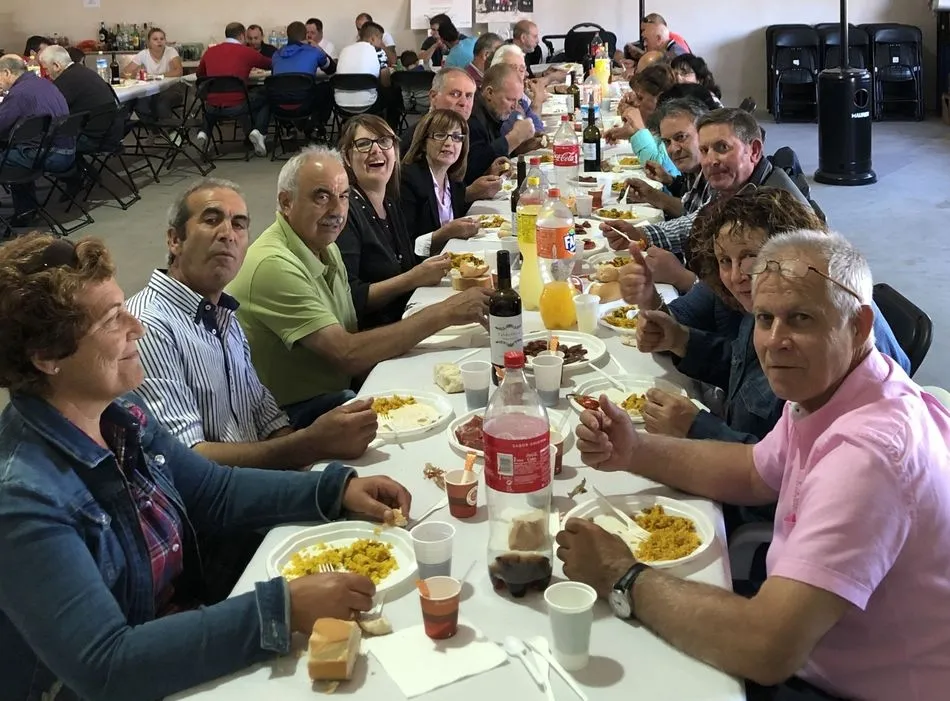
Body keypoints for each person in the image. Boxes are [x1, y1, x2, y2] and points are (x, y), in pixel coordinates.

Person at [0, 232, 414, 701]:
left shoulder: (120, 416)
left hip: (177, 634)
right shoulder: (23, 499)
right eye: (113, 319)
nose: (137, 327)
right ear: (47, 357)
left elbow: (214, 491)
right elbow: (106, 666)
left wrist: (333, 490)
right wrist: (279, 610)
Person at [564, 230, 950, 701]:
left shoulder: (869, 456)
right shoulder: (838, 385)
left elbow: (767, 648)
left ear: (858, 325)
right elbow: (753, 470)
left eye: (801, 318)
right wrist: (634, 450)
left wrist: (619, 574)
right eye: (765, 318)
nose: (774, 341)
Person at [619, 188, 910, 443]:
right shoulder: (770, 297)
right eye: (725, 261)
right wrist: (679, 339)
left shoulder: (832, 335)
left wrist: (696, 428)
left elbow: (784, 471)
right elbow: (744, 367)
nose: (736, 276)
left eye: (750, 257)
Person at [127, 178, 379, 466]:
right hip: (222, 488)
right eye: (211, 220)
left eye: (239, 224)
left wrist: (303, 468)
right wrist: (308, 448)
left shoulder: (223, 314)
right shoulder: (148, 327)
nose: (228, 234)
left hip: (260, 468)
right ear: (175, 240)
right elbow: (187, 461)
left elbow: (266, 416)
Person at [227, 146, 490, 413]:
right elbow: (347, 354)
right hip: (294, 414)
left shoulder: (325, 245)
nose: (337, 210)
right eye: (322, 197)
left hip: (339, 388)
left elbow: (351, 334)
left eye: (343, 196)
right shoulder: (273, 265)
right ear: (286, 202)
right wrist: (445, 313)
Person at [604, 108, 813, 257]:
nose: (710, 160)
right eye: (704, 150)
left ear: (755, 151)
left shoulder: (777, 207)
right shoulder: (735, 184)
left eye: (722, 148)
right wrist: (642, 235)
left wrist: (683, 279)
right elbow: (700, 221)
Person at [335, 115, 461, 329]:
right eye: (364, 144)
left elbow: (406, 262)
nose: (376, 150)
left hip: (406, 316)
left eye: (384, 141)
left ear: (395, 152)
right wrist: (413, 278)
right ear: (347, 158)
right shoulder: (346, 214)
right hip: (378, 333)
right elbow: (351, 298)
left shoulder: (390, 204)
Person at [397, 67, 506, 200]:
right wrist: (469, 194)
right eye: (455, 94)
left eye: (469, 96)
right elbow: (426, 204)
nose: (463, 103)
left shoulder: (464, 130)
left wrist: (489, 173)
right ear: (433, 97)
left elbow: (455, 181)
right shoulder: (420, 138)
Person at [0, 55, 74, 225]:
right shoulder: (44, 84)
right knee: (14, 152)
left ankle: (25, 211)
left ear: (7, 72)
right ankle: (26, 210)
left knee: (10, 156)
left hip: (50, 154)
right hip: (66, 149)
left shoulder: (19, 94)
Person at [401, 109, 481, 257]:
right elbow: (406, 246)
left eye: (456, 137)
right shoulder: (408, 180)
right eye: (440, 135)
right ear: (423, 143)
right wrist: (445, 233)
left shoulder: (454, 181)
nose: (449, 143)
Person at [195, 22, 272, 157]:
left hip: (212, 106)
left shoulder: (210, 51)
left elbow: (200, 74)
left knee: (211, 104)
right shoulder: (246, 52)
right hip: (237, 105)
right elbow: (269, 64)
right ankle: (258, 132)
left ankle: (204, 133)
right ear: (242, 36)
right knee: (268, 96)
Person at [39, 45, 122, 152]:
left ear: (56, 66)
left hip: (91, 139)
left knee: (36, 140)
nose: (46, 74)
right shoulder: (83, 71)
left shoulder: (65, 80)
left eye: (46, 69)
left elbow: (46, 111)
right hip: (110, 133)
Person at [466, 63, 538, 185]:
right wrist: (514, 138)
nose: (515, 107)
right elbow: (474, 169)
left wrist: (520, 147)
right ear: (489, 93)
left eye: (518, 101)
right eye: (510, 99)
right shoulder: (472, 117)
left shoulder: (492, 112)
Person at [605, 63, 679, 176]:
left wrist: (639, 130)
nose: (635, 103)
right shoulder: (657, 122)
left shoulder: (674, 123)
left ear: (660, 99)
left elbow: (659, 169)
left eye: (640, 98)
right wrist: (631, 133)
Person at [335, 22, 398, 129]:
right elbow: (386, 82)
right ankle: (389, 131)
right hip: (369, 106)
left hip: (341, 106)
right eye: (380, 39)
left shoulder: (344, 50)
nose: (381, 42)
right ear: (373, 39)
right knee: (394, 93)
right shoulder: (378, 52)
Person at [123, 27, 187, 121]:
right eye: (155, 39)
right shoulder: (143, 54)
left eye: (162, 39)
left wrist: (158, 76)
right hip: (150, 90)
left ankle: (168, 129)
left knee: (161, 104)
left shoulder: (171, 51)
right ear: (149, 42)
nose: (159, 41)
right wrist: (135, 74)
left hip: (171, 90)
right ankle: (153, 128)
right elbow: (125, 72)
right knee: (140, 103)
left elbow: (179, 71)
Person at [490, 44, 544, 134]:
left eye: (523, 69)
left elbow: (538, 128)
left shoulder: (520, 99)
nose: (524, 74)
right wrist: (537, 101)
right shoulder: (498, 101)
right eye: (515, 69)